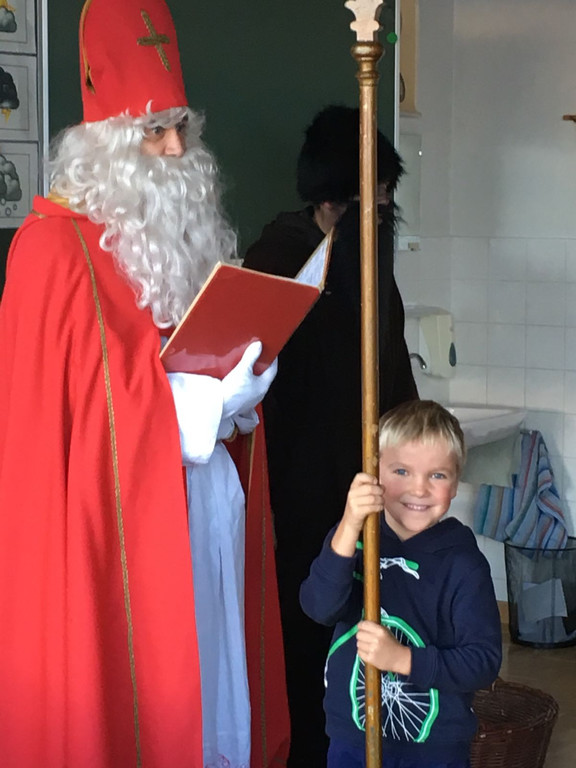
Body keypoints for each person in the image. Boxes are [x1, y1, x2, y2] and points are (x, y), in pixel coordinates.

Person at [0, 0, 288, 766]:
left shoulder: (182, 241)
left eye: (181, 126)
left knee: (213, 695)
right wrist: (201, 405)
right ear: (104, 140)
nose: (174, 148)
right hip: (120, 541)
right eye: (153, 129)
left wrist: (240, 389)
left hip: (203, 517)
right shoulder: (50, 253)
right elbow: (72, 430)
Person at [243, 104, 419, 767]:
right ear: (329, 202)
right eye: (369, 203)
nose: (381, 215)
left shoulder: (371, 258)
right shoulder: (277, 261)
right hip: (301, 500)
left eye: (385, 201)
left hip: (368, 491)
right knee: (307, 646)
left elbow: (391, 372)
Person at [300, 400, 502, 768]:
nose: (419, 489)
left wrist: (403, 659)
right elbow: (319, 607)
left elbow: (483, 661)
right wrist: (349, 524)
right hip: (351, 738)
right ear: (374, 471)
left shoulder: (463, 563)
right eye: (402, 471)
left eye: (437, 475)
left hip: (433, 748)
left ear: (456, 483)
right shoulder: (356, 538)